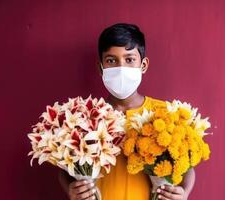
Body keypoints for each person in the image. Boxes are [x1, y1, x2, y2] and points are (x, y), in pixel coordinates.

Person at [59, 23, 195, 200]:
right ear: (101, 67)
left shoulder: (165, 114)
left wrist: (184, 193)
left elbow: (188, 167)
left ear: (143, 65)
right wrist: (71, 189)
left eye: (129, 59)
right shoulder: (84, 116)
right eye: (111, 60)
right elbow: (63, 167)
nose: (120, 67)